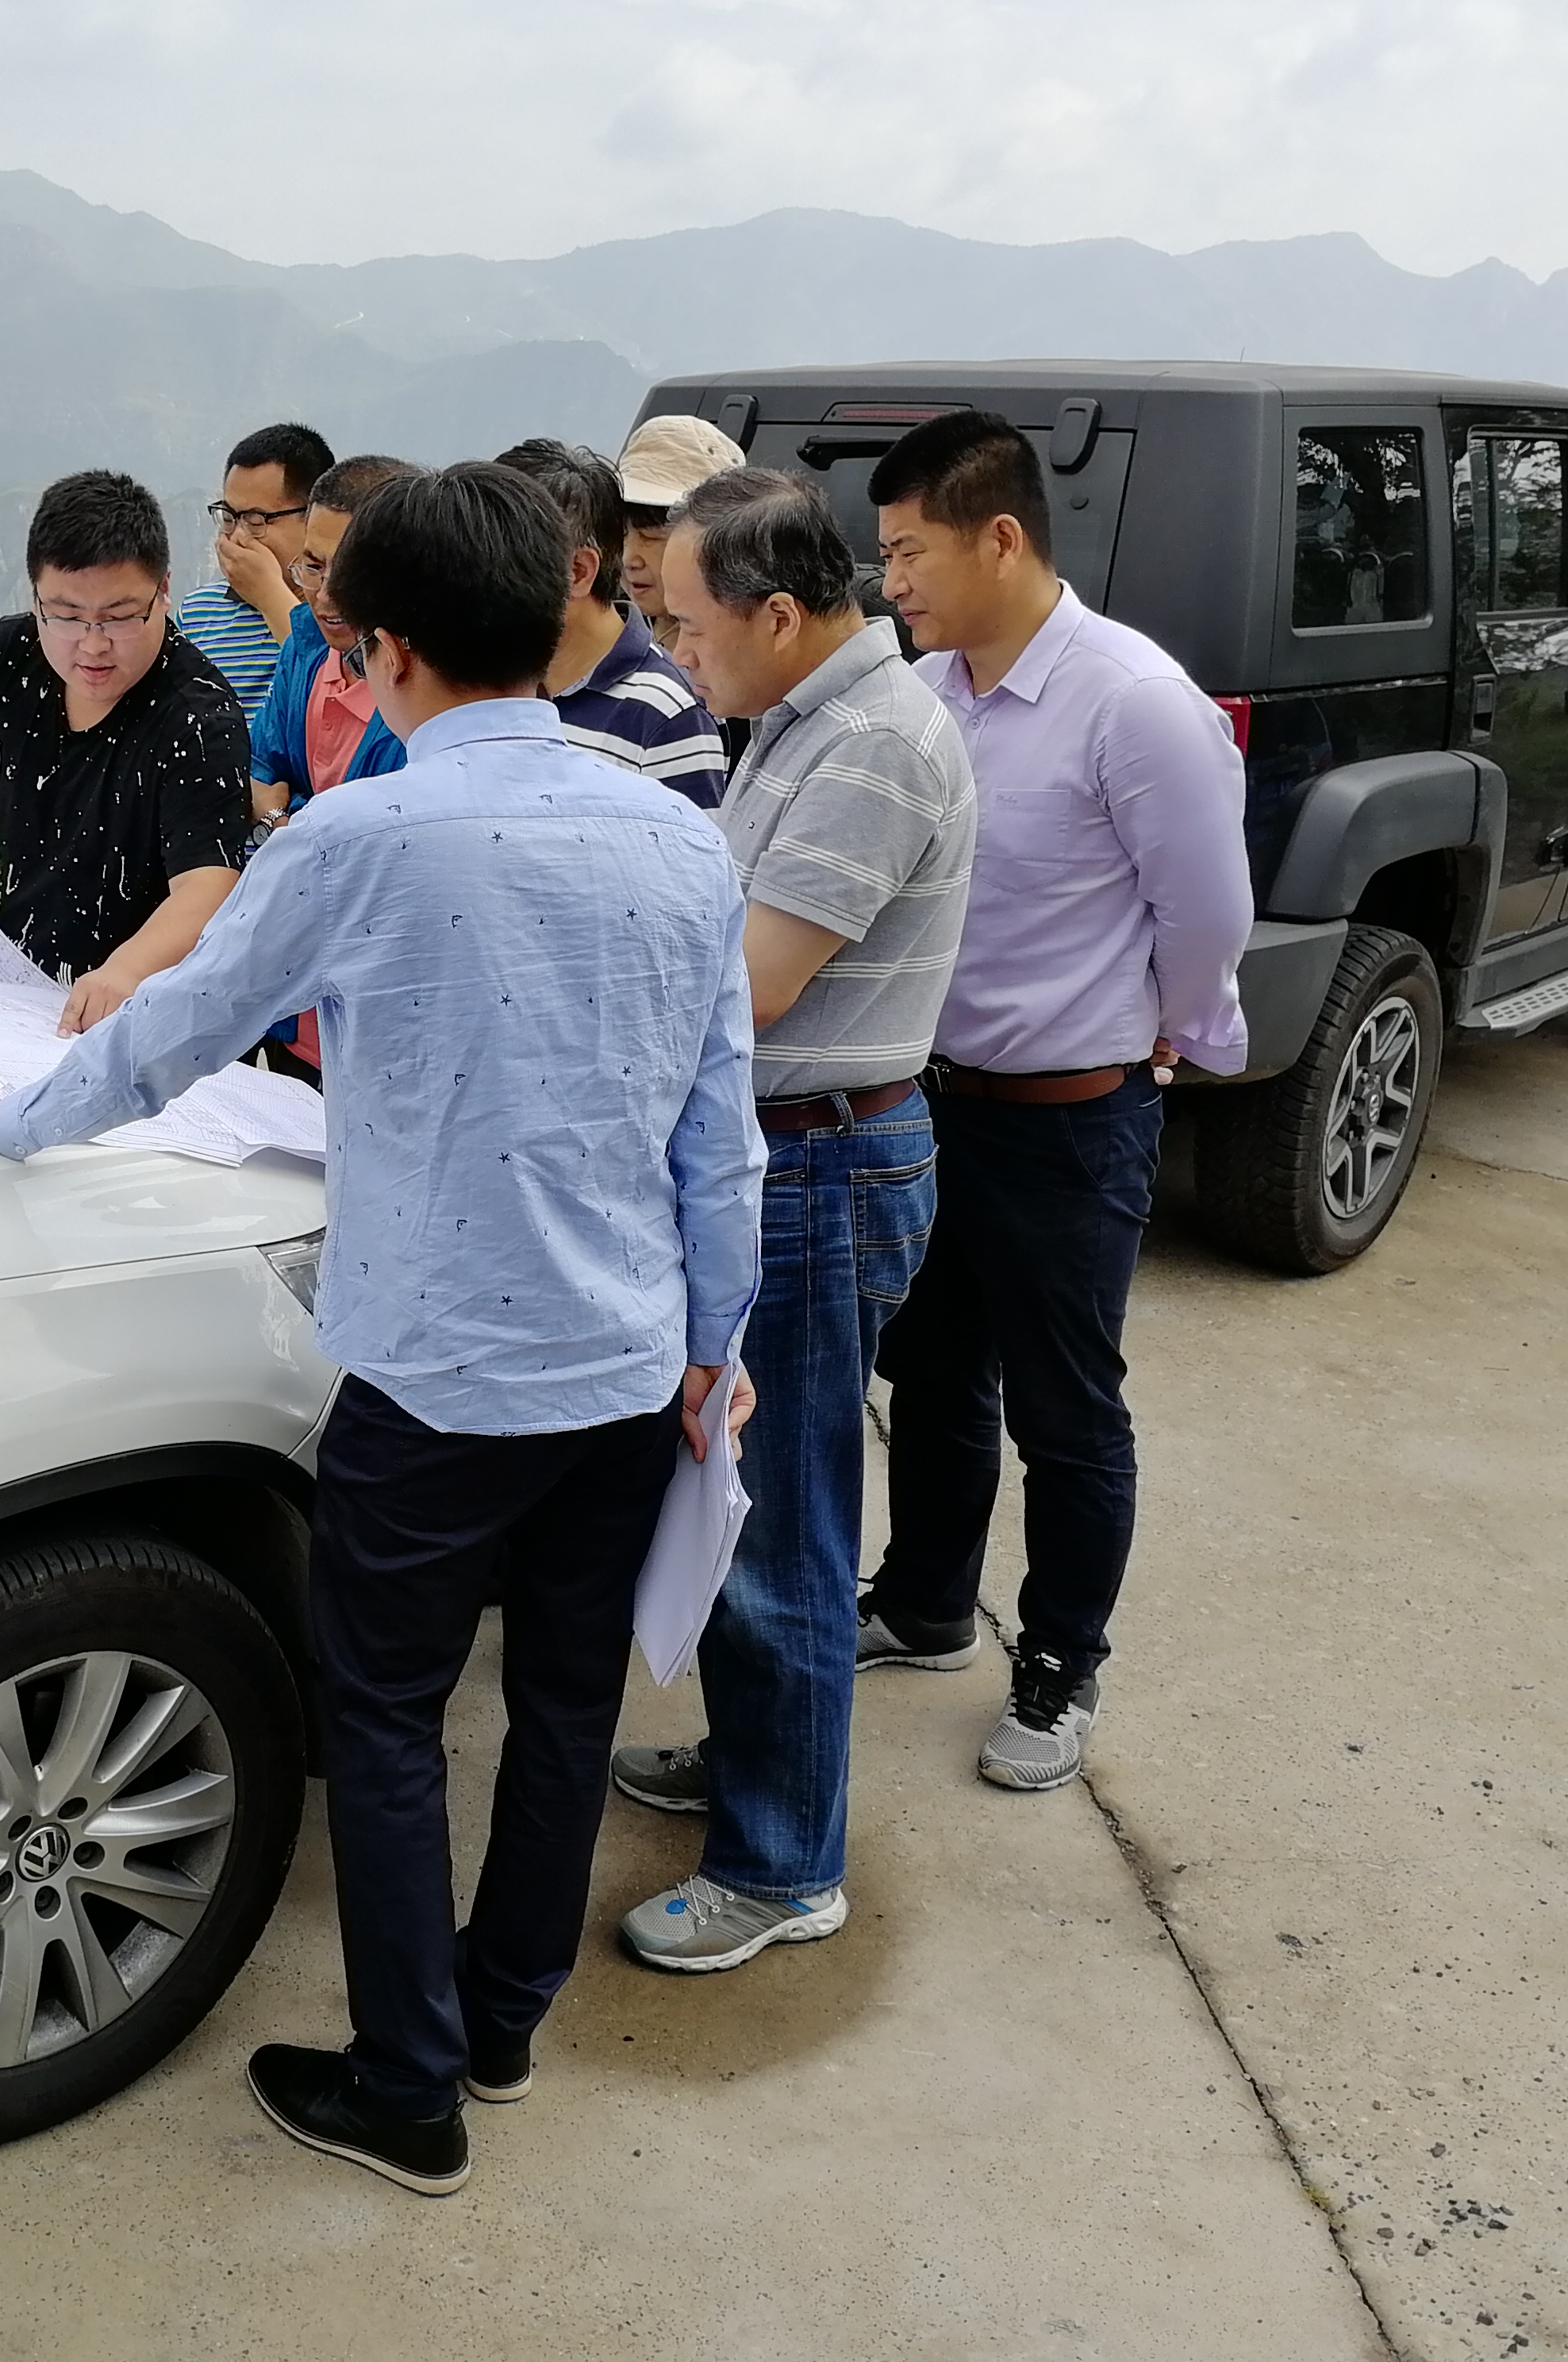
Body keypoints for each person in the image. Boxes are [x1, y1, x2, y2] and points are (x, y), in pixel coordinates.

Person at [0, 464, 765, 2199]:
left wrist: (6, 1118)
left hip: (434, 1380)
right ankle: (500, 2026)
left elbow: (173, 1031)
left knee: (386, 1718)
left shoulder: (360, 837)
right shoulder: (675, 837)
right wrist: (714, 1347)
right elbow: (716, 1135)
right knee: (563, 1706)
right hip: (623, 1365)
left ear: (386, 649)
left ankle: (405, 2085)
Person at [606, 467, 976, 1969]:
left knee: (786, 1528)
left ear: (776, 613)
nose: (675, 655)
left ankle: (781, 1867)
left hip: (820, 1165)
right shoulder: (802, 721)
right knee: (737, 1499)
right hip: (783, 1156)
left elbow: (749, 984)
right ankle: (758, 1762)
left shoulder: (873, 745)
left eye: (689, 627)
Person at [861, 409, 1254, 1790]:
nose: (891, 582)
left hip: (1069, 1117)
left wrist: (1170, 1033)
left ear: (999, 538)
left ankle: (1059, 1661)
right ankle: (924, 1604)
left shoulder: (1132, 700)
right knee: (931, 1373)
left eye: (908, 553)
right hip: (930, 1104)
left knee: (1067, 1409)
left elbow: (1206, 911)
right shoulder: (930, 694)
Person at [0, 472, 250, 1031]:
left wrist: (124, 971)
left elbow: (208, 884)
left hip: (147, 1005)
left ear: (164, 590)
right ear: (35, 596)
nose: (92, 644)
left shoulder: (198, 717)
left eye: (120, 616)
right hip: (13, 984)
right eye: (65, 615)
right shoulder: (9, 656)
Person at [490, 438, 728, 806]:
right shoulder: (480, 679)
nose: (470, 583)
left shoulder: (667, 713)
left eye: (495, 563)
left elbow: (690, 842)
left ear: (578, 571)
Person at [247, 452, 422, 828]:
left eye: (348, 573)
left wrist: (279, 821)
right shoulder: (305, 648)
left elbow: (383, 833)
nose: (325, 596)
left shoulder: (426, 691)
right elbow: (259, 771)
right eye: (313, 566)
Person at [175, 422, 333, 714]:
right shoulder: (198, 612)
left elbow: (330, 685)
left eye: (256, 520)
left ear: (311, 517)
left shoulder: (337, 614)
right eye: (229, 517)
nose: (237, 537)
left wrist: (269, 594)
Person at [618, 414, 751, 652]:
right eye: (620, 533)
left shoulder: (745, 649)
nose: (629, 559)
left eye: (651, 535)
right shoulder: (607, 624)